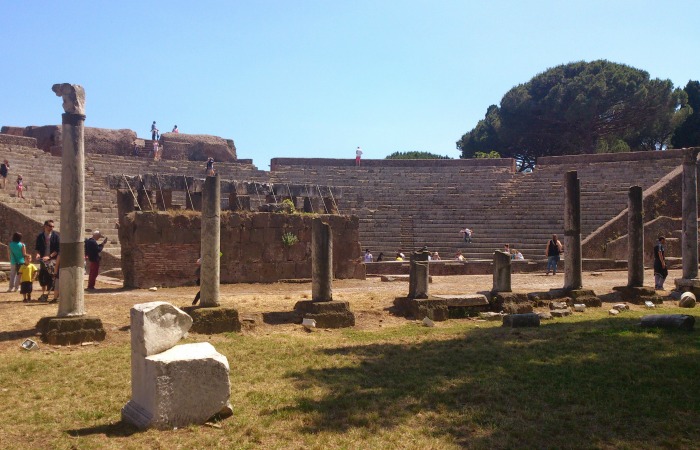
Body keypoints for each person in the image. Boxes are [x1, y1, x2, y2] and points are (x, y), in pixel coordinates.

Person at [35, 220, 60, 302]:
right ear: (45, 226)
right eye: (50, 226)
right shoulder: (40, 236)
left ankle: (54, 295)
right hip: (43, 260)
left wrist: (49, 257)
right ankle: (43, 294)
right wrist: (38, 254)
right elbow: (37, 248)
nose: (51, 228)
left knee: (52, 277)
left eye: (53, 226)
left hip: (52, 260)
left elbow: (57, 250)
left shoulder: (56, 237)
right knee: (42, 277)